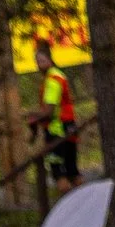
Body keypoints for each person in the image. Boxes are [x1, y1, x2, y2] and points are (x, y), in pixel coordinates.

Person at [30, 39, 80, 190]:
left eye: (42, 60)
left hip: (56, 130)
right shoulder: (59, 76)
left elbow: (50, 110)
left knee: (59, 173)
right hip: (69, 127)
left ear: (50, 59)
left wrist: (32, 118)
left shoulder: (52, 80)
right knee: (73, 170)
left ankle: (68, 206)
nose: (39, 64)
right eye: (37, 61)